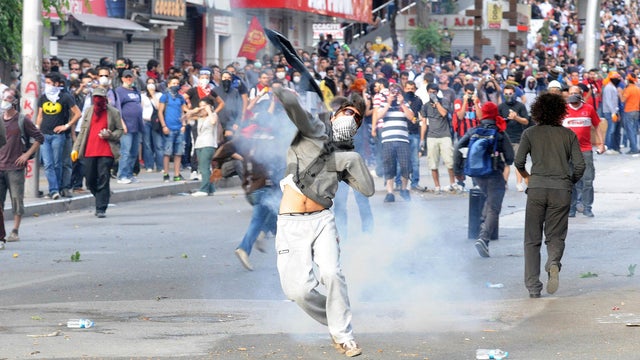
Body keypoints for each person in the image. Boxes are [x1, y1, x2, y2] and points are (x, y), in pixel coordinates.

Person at [273, 85, 372, 357]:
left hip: (323, 221)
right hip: (291, 223)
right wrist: (281, 91)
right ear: (334, 116)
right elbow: (293, 106)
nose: (350, 120)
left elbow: (367, 189)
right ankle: (336, 318)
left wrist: (351, 159)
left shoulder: (347, 156)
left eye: (356, 119)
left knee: (332, 274)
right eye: (346, 114)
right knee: (298, 291)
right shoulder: (313, 129)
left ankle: (344, 335)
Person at [515, 93, 585, 298]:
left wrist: (528, 177)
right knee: (555, 236)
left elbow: (518, 162)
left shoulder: (529, 133)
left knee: (531, 239)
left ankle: (533, 287)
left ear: (537, 111)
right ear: (560, 113)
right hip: (561, 190)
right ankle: (553, 262)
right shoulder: (568, 135)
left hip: (537, 189)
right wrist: (569, 181)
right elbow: (581, 165)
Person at [454, 102, 514, 258]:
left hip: (477, 175)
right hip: (494, 174)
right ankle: (484, 238)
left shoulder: (474, 131)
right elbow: (510, 158)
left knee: (488, 199)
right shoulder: (499, 133)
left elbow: (458, 147)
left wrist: (457, 170)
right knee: (494, 208)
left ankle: (482, 223)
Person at [71, 87, 124, 218]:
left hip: (106, 151)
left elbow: (120, 130)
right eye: (95, 97)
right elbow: (83, 132)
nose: (98, 100)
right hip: (89, 150)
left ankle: (101, 207)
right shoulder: (89, 111)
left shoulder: (114, 112)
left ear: (105, 99)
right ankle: (103, 194)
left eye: (100, 97)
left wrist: (110, 135)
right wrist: (76, 148)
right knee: (89, 180)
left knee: (103, 178)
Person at [0, 89, 41, 248]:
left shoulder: (22, 120)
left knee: (17, 199)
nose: (5, 101)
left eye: (8, 98)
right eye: (3, 98)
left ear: (15, 101)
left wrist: (26, 155)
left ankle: (15, 230)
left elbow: (39, 138)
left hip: (15, 167)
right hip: (0, 166)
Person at [36, 72, 81, 199]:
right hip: (44, 134)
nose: (47, 86)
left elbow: (77, 114)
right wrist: (36, 130)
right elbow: (40, 116)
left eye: (49, 83)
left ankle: (63, 187)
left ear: (56, 84)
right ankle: (53, 190)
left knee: (58, 163)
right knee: (48, 164)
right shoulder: (43, 98)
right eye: (46, 83)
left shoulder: (65, 97)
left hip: (59, 135)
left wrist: (66, 126)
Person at [564, 85, 604, 217]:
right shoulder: (562, 110)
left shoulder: (588, 109)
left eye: (575, 93)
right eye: (571, 93)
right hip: (568, 151)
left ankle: (587, 207)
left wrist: (601, 144)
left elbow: (597, 125)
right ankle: (571, 208)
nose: (573, 95)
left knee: (587, 180)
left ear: (581, 94)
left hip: (585, 150)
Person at [373, 82, 414, 202]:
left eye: (397, 91)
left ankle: (404, 189)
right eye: (392, 91)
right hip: (388, 139)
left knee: (405, 165)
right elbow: (379, 116)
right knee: (389, 166)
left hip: (402, 139)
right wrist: (389, 103)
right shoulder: (385, 104)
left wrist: (402, 104)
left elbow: (411, 117)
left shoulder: (404, 104)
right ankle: (390, 192)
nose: (395, 93)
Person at [421, 83, 457, 193]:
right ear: (427, 92)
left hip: (445, 135)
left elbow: (444, 113)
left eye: (434, 92)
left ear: (437, 92)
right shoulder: (425, 106)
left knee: (450, 162)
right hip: (432, 136)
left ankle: (452, 183)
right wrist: (422, 140)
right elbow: (423, 123)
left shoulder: (444, 101)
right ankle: (437, 186)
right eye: (430, 92)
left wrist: (436, 102)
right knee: (433, 163)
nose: (432, 94)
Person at [498, 84, 530, 192]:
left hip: (518, 137)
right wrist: (504, 119)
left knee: (519, 162)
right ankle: (504, 183)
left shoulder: (520, 106)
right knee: (505, 163)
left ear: (514, 94)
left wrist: (516, 117)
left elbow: (526, 121)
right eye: (506, 94)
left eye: (510, 94)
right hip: (505, 138)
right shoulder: (501, 107)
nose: (508, 96)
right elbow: (497, 121)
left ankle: (519, 183)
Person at [115, 70, 144, 184]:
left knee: (133, 152)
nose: (129, 79)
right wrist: (122, 124)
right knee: (125, 151)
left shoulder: (136, 91)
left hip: (137, 125)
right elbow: (118, 109)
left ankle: (129, 174)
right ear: (122, 78)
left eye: (130, 77)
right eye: (126, 77)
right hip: (126, 125)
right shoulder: (119, 91)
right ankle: (121, 175)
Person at [157, 76, 188, 182]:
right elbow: (160, 112)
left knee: (178, 153)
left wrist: (184, 125)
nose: (175, 85)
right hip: (168, 127)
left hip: (179, 128)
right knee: (167, 152)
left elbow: (184, 111)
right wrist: (164, 126)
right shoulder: (164, 97)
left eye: (177, 83)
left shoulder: (180, 97)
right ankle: (165, 173)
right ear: (168, 85)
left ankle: (176, 174)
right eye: (173, 83)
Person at [188, 97, 220, 196]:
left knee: (204, 167)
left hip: (208, 143)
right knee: (203, 166)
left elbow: (213, 122)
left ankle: (204, 189)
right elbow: (186, 117)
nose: (202, 108)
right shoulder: (200, 117)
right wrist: (195, 110)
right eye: (200, 106)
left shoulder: (213, 115)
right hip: (199, 144)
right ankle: (210, 188)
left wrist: (209, 110)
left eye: (204, 106)